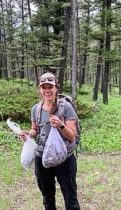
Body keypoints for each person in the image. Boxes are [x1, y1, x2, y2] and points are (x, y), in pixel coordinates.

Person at [20, 72, 80, 210]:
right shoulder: (36, 109)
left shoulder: (66, 107)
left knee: (70, 198)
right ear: (40, 90)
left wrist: (61, 125)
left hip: (64, 158)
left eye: (50, 87)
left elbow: (72, 136)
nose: (47, 90)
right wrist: (28, 134)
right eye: (44, 87)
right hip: (42, 158)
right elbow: (35, 130)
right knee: (47, 197)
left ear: (56, 88)